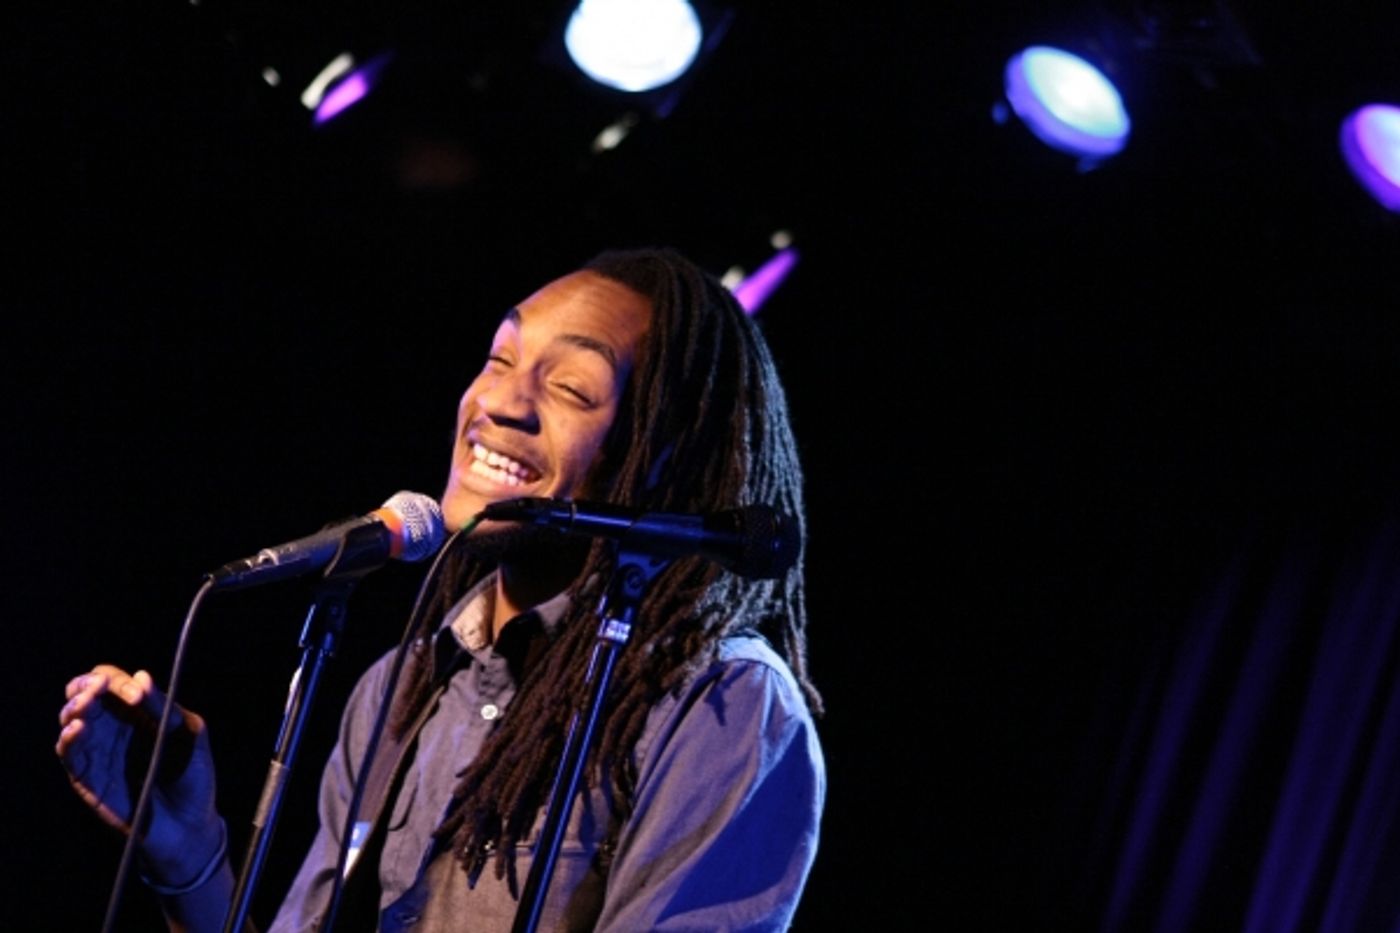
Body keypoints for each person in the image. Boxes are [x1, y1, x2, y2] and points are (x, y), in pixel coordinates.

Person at [57, 246, 826, 931]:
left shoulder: (724, 706)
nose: (498, 403)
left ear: (665, 456)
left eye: (570, 386)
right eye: (499, 358)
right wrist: (188, 849)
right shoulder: (398, 688)